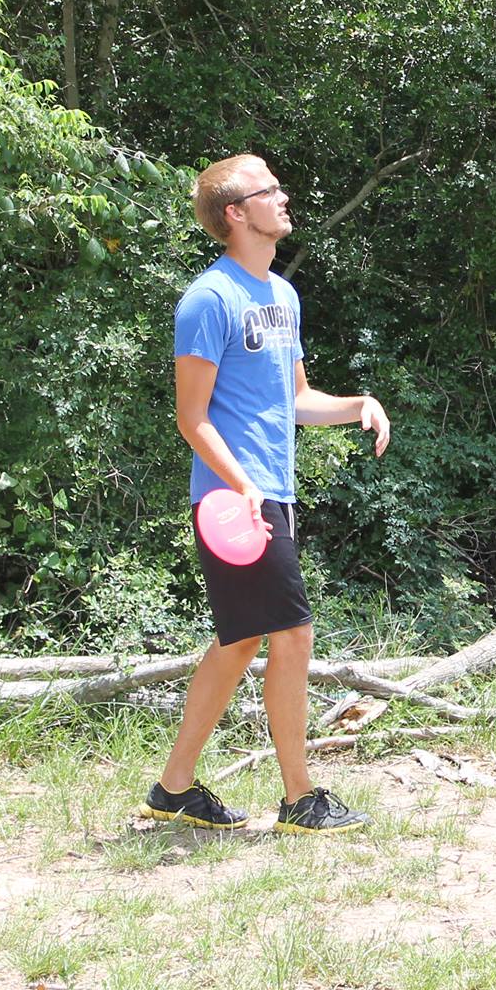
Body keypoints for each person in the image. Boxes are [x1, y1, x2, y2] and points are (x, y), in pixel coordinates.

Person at [138, 152, 391, 834]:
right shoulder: (208, 300)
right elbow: (191, 418)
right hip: (233, 502)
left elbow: (296, 395)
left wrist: (358, 403)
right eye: (268, 189)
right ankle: (300, 798)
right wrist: (243, 483)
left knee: (241, 640)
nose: (284, 196)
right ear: (235, 212)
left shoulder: (282, 296)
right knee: (293, 634)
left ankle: (174, 788)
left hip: (269, 493)